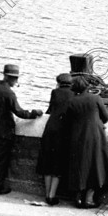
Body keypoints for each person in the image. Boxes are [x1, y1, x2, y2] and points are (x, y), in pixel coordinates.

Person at [0, 64, 42, 195]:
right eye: (15, 79)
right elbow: (19, 112)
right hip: (5, 133)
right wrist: (34, 113)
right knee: (1, 161)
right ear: (10, 78)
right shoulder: (9, 93)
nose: (16, 82)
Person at [68, 77, 108, 208]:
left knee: (79, 165)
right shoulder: (96, 98)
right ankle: (89, 199)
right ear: (87, 87)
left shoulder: (71, 101)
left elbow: (68, 120)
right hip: (95, 136)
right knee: (96, 165)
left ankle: (78, 197)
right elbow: (106, 117)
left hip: (77, 137)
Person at [35, 73, 74, 205]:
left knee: (47, 162)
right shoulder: (74, 94)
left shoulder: (55, 92)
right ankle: (52, 196)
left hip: (50, 128)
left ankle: (47, 194)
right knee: (58, 164)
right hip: (63, 131)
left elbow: (51, 109)